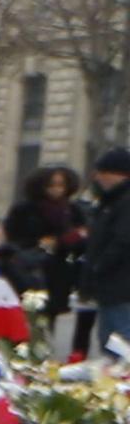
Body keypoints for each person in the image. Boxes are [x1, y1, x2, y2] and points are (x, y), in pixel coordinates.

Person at [0, 165, 87, 353]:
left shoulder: (72, 210)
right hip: (28, 271)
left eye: (61, 185)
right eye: (51, 185)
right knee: (26, 317)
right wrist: (38, 243)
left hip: (58, 273)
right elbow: (13, 237)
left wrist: (66, 240)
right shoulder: (24, 209)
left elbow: (82, 238)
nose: (56, 190)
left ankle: (43, 353)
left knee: (49, 320)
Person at [82, 150, 130, 357]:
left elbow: (122, 240)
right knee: (109, 342)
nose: (97, 177)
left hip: (120, 285)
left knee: (120, 341)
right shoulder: (109, 202)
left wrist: (99, 266)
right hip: (109, 286)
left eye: (103, 172)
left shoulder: (124, 202)